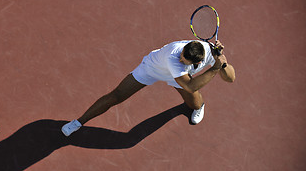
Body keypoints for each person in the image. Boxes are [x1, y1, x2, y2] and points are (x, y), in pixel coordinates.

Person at [61, 40, 236, 136]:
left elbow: (231, 78)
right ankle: (78, 122)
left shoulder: (211, 53)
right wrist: (214, 69)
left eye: (185, 60)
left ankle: (200, 107)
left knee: (195, 104)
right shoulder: (174, 55)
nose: (180, 59)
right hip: (152, 69)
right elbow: (190, 86)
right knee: (116, 96)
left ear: (198, 61)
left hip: (181, 78)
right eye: (182, 55)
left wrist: (222, 63)